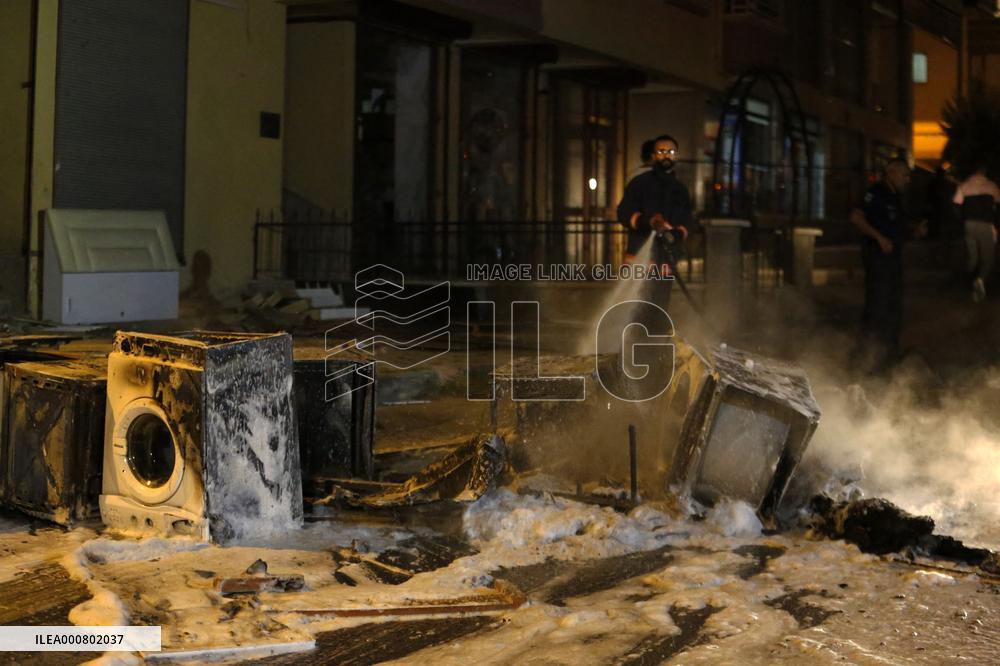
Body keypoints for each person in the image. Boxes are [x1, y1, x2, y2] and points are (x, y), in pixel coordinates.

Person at [849, 158, 925, 369]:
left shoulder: (896, 197)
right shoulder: (875, 193)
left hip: (893, 259)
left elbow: (897, 227)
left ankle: (889, 354)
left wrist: (915, 231)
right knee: (877, 305)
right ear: (891, 173)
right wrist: (879, 238)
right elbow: (856, 218)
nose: (907, 180)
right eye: (904, 175)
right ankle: (866, 356)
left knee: (894, 305)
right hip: (877, 258)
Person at [616, 134, 695, 333]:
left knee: (659, 310)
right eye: (661, 151)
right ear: (653, 156)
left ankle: (654, 346)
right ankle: (630, 346)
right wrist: (648, 222)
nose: (666, 155)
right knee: (635, 310)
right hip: (639, 260)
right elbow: (624, 213)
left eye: (671, 151)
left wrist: (676, 234)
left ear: (676, 156)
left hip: (665, 262)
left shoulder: (680, 189)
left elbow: (686, 220)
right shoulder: (639, 184)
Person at [952, 167, 1000, 302]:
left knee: (972, 256)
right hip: (986, 224)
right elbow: (998, 205)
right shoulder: (991, 185)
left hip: (969, 224)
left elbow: (955, 204)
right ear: (985, 172)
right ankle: (980, 279)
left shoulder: (964, 185)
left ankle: (970, 282)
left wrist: (962, 219)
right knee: (988, 256)